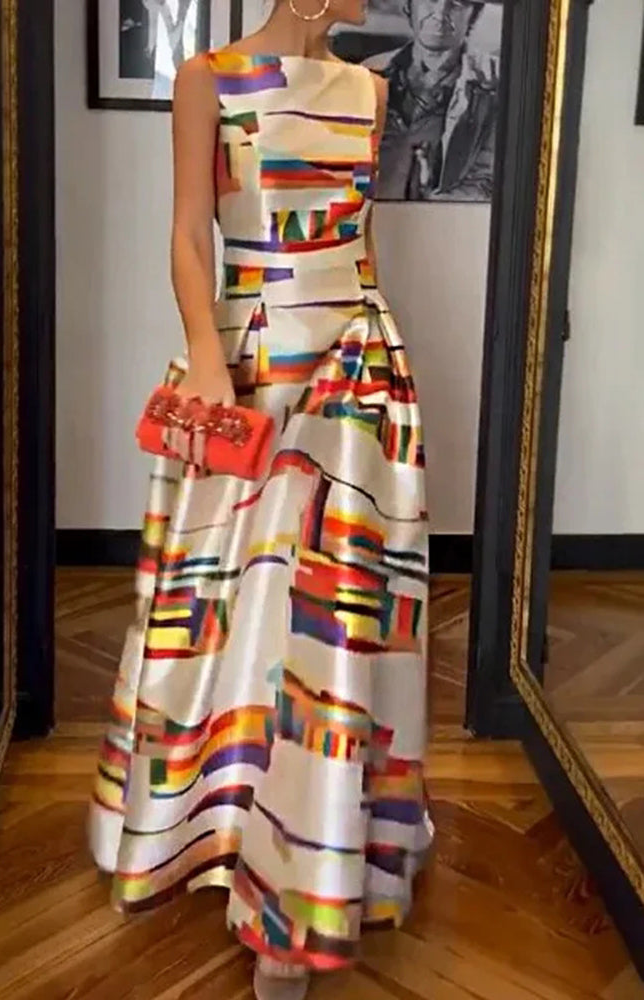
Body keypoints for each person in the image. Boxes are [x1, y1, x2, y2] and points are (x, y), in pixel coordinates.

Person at [89, 2, 431, 998]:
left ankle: (300, 882)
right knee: (225, 613)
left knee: (331, 621)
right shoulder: (211, 77)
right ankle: (212, 822)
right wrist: (205, 353)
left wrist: (383, 366)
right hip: (249, 363)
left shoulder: (370, 91)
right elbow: (188, 232)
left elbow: (361, 246)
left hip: (356, 373)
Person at [365, 0, 499, 201]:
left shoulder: (497, 82)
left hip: (448, 218)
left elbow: (490, 181)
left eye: (456, 3)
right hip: (372, 215)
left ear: (474, 15)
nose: (440, 13)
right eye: (430, 0)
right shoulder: (369, 73)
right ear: (409, 7)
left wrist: (433, 207)